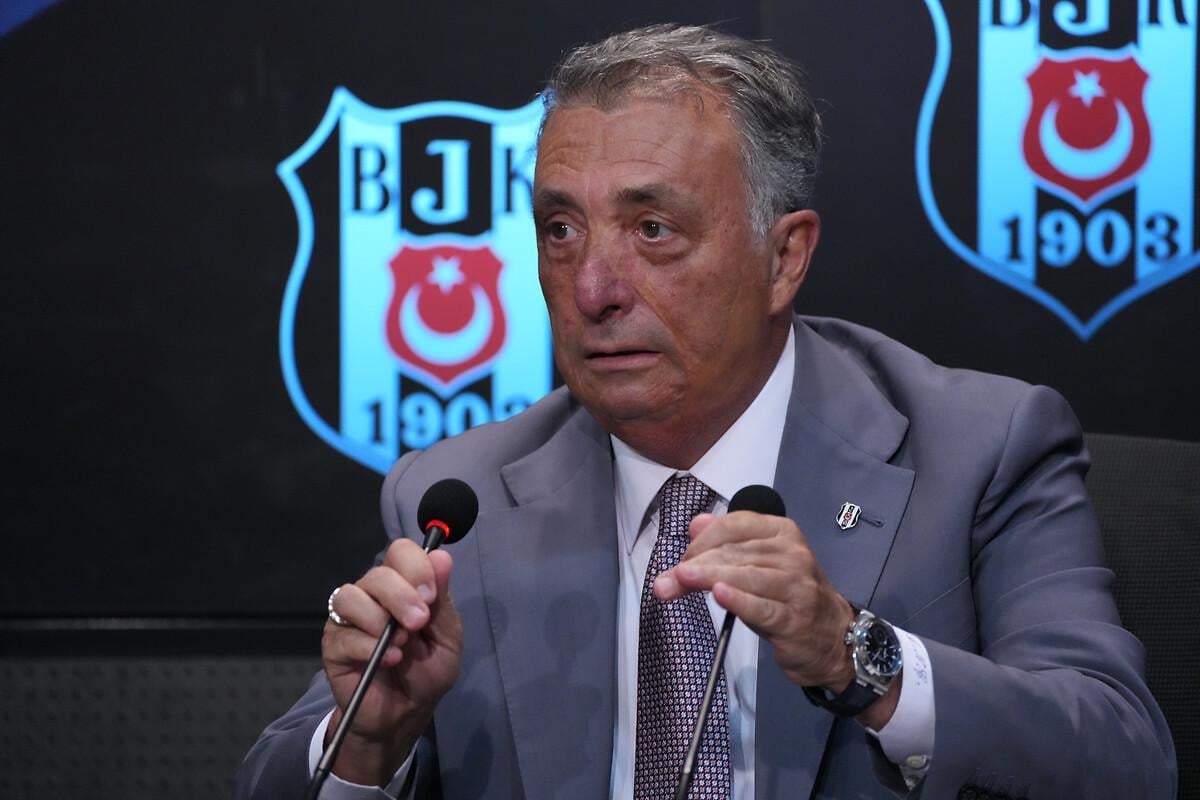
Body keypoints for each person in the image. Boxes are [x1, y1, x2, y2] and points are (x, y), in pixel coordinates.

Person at [235, 23, 1176, 799]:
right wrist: (369, 745)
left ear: (784, 258)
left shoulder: (979, 450)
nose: (593, 289)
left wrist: (857, 655)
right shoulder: (459, 498)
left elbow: (1124, 758)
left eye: (653, 230)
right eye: (561, 230)